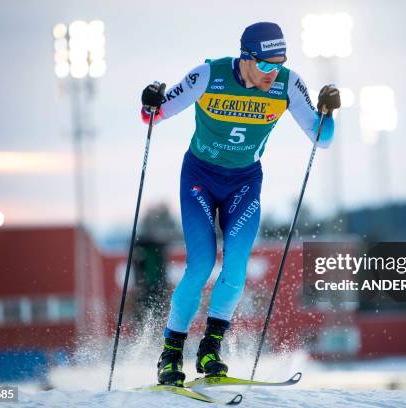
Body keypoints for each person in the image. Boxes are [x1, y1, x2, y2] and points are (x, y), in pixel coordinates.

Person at [140, 21, 341, 386]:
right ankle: (170, 354)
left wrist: (329, 113)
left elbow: (321, 138)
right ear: (245, 59)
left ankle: (210, 348)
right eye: (265, 65)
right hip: (199, 179)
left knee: (236, 268)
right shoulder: (208, 75)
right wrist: (151, 98)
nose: (272, 72)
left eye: (278, 63)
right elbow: (153, 115)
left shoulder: (286, 84)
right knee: (200, 266)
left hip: (244, 184)